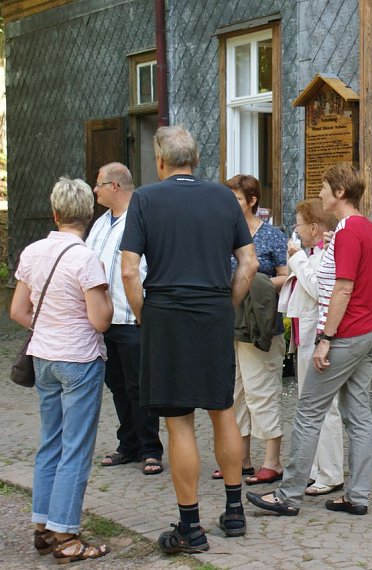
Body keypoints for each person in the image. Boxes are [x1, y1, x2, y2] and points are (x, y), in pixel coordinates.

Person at [120, 126, 259, 553]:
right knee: (223, 410)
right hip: (214, 310)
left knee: (179, 421)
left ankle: (191, 527)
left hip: (166, 311)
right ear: (195, 160)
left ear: (161, 161)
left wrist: (145, 314)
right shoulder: (222, 196)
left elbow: (128, 270)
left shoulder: (145, 198)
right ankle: (235, 513)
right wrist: (227, 304)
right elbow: (249, 262)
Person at [247, 162, 372, 517]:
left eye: (323, 187)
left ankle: (288, 495)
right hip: (368, 330)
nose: (320, 193)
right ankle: (358, 495)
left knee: (308, 412)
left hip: (347, 334)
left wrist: (326, 338)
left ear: (339, 193)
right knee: (358, 416)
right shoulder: (366, 227)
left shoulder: (348, 231)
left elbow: (342, 288)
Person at [11, 177, 114, 563]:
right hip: (79, 359)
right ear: (89, 214)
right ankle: (66, 535)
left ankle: (42, 525)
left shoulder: (33, 252)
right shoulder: (86, 257)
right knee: (75, 449)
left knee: (50, 443)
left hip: (43, 357)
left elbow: (18, 310)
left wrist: (49, 325)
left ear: (55, 213)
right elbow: (100, 320)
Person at [87, 162, 164, 476]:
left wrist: (144, 311)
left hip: (133, 317)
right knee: (118, 385)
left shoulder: (143, 219)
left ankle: (150, 449)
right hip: (105, 321)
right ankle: (128, 444)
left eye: (99, 184)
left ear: (114, 186)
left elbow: (149, 268)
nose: (95, 190)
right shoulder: (100, 223)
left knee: (139, 386)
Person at [215, 174, 288, 486]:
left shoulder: (272, 236)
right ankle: (241, 460)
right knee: (234, 394)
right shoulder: (222, 235)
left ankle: (273, 461)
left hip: (260, 326)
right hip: (229, 324)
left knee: (262, 392)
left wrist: (254, 284)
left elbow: (287, 275)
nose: (230, 205)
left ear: (252, 201)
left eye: (236, 199)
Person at [280, 198, 344, 495]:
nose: (297, 229)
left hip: (316, 338)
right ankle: (317, 468)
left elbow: (319, 289)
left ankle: (331, 472)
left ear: (315, 228)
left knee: (323, 407)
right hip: (303, 336)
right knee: (309, 407)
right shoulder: (312, 253)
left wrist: (296, 259)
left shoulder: (323, 254)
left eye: (300, 224)